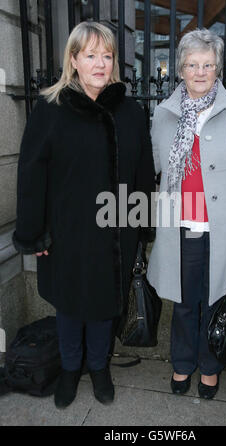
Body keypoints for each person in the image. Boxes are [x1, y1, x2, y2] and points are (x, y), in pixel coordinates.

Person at [13, 21, 155, 408]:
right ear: (73, 60)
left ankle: (99, 367)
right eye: (90, 55)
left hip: (116, 230)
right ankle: (71, 369)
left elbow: (143, 169)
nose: (100, 64)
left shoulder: (130, 111)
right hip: (67, 233)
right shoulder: (51, 108)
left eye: (106, 56)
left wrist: (142, 223)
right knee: (71, 306)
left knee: (106, 306)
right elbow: (31, 173)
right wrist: (34, 231)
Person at [147, 28, 226, 400]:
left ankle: (210, 368)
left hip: (224, 228)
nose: (200, 72)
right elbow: (152, 168)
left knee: (216, 302)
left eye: (208, 65)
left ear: (218, 69)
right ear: (180, 68)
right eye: (193, 64)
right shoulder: (163, 114)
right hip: (180, 225)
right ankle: (182, 363)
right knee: (184, 302)